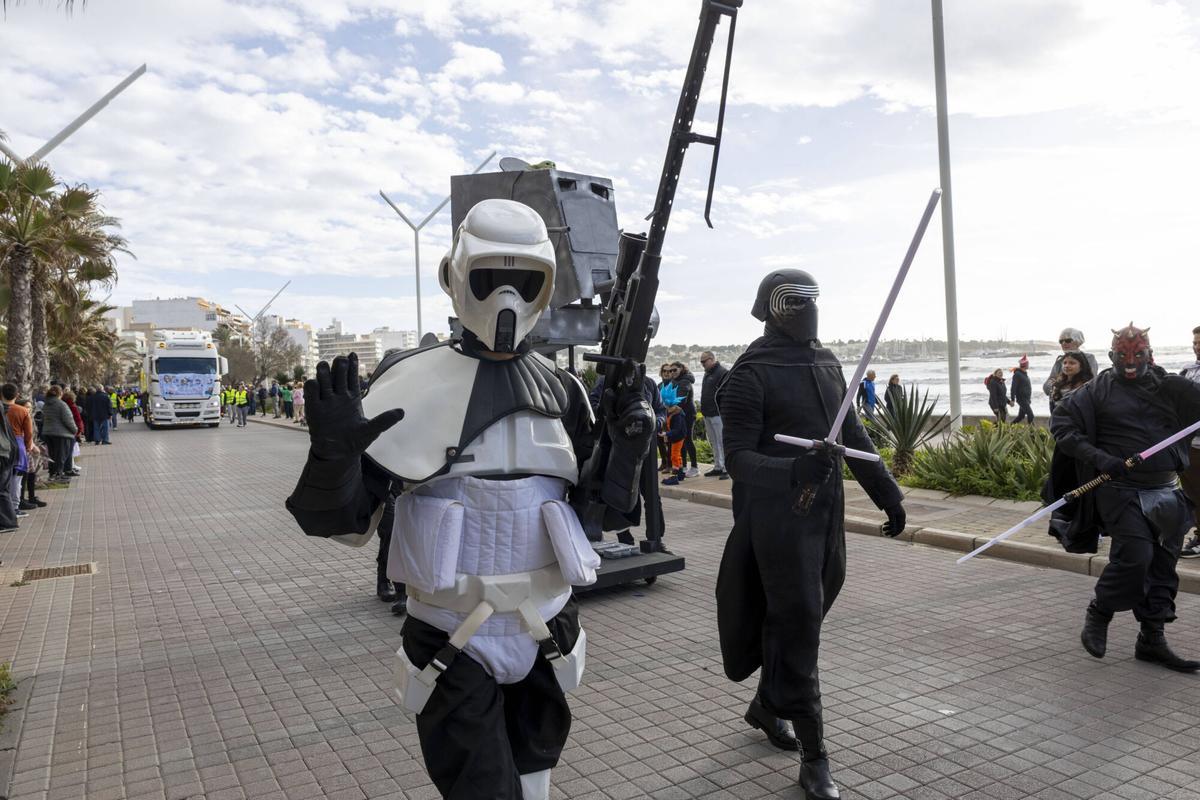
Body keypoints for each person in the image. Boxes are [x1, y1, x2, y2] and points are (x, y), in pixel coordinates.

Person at [285, 199, 652, 799]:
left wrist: (629, 449)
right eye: (488, 278)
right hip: (452, 635)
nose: (506, 298)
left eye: (524, 281)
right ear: (455, 278)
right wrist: (333, 458)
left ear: (546, 288)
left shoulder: (567, 393)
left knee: (535, 779)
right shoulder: (407, 385)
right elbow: (348, 526)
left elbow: (600, 517)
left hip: (547, 629)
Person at [715, 269, 906, 800]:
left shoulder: (825, 361)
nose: (807, 309)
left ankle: (766, 703)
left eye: (811, 299)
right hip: (776, 523)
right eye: (794, 301)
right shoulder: (749, 374)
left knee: (803, 617)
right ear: (770, 307)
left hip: (826, 517)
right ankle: (815, 750)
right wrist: (793, 470)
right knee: (799, 623)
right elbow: (737, 459)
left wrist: (886, 492)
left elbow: (852, 430)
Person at [1051, 324, 1200, 672]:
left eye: (1138, 356)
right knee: (1135, 556)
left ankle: (1152, 639)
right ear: (1111, 357)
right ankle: (1100, 611)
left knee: (1163, 567)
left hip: (1166, 490)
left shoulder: (1169, 387)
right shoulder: (1097, 390)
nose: (1130, 363)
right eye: (1123, 357)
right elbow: (1062, 425)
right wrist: (1100, 459)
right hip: (1121, 490)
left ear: (1150, 354)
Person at [1179, 325, 1200, 558]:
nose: (1196, 348)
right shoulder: (1188, 369)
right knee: (1192, 492)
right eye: (1195, 343)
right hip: (1187, 443)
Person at [1043, 327, 1100, 398]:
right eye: (1061, 341)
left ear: (1078, 341)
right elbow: (1046, 387)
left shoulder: (1088, 358)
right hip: (1058, 405)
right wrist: (1057, 387)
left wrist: (1059, 385)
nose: (1063, 343)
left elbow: (1090, 384)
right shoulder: (1059, 361)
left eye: (1068, 340)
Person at [699, 351, 729, 478]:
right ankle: (718, 466)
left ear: (711, 359)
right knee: (713, 441)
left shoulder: (722, 373)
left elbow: (726, 393)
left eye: (703, 361)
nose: (702, 364)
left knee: (722, 441)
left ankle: (726, 469)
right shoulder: (708, 373)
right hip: (708, 413)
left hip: (718, 413)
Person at [41, 386, 78, 481]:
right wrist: (75, 430)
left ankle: (52, 473)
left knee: (52, 454)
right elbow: (68, 419)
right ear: (60, 393)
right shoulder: (61, 404)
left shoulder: (46, 404)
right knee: (61, 454)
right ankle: (58, 474)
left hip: (48, 432)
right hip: (62, 433)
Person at [671, 361, 699, 478]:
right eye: (671, 370)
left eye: (675, 370)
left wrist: (670, 409)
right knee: (681, 440)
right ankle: (683, 466)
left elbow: (681, 399)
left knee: (687, 439)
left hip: (687, 414)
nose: (672, 372)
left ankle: (694, 467)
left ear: (681, 368)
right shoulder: (675, 381)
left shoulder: (685, 381)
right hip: (680, 414)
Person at [660, 404, 687, 486]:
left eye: (670, 407)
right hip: (675, 437)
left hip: (678, 437)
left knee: (674, 456)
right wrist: (666, 434)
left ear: (675, 406)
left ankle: (674, 477)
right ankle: (680, 474)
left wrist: (667, 433)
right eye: (667, 406)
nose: (668, 408)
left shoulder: (678, 416)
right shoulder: (670, 413)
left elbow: (677, 429)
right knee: (676, 455)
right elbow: (667, 424)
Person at [62, 391, 84, 476]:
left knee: (67, 450)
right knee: (70, 450)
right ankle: (69, 468)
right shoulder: (72, 406)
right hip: (72, 430)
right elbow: (77, 419)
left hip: (64, 430)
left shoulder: (63, 405)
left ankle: (70, 466)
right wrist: (79, 430)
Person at [1010, 355, 1034, 424]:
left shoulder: (1024, 374)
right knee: (1031, 415)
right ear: (1025, 364)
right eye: (1028, 363)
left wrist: (1029, 399)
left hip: (1026, 399)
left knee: (1021, 416)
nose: (1028, 365)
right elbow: (1013, 387)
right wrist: (1012, 399)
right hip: (1021, 399)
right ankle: (1032, 433)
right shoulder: (1017, 374)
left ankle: (1009, 427)